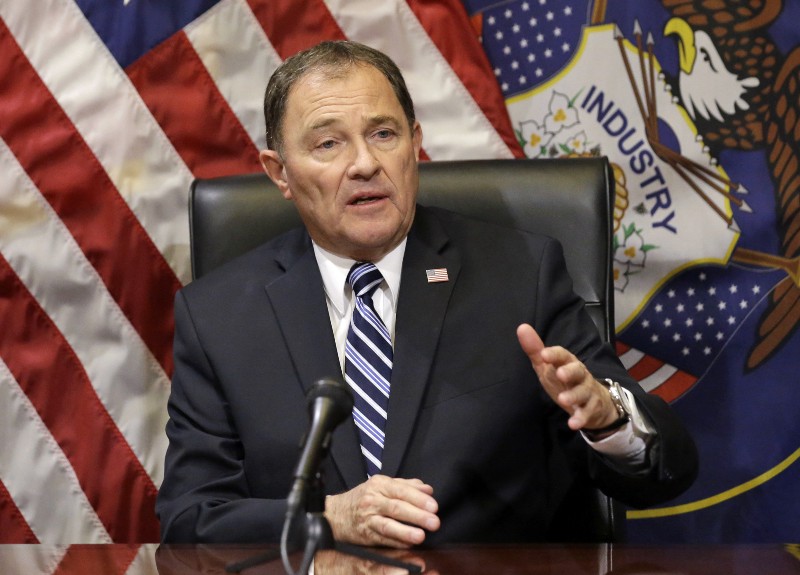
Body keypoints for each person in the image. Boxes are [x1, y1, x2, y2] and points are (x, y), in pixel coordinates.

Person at [156, 40, 698, 547]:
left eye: (383, 134)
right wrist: (327, 519)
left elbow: (664, 472)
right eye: (328, 143)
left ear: (415, 144)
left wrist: (609, 420)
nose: (365, 163)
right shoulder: (218, 316)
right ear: (279, 172)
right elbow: (189, 518)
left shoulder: (520, 273)